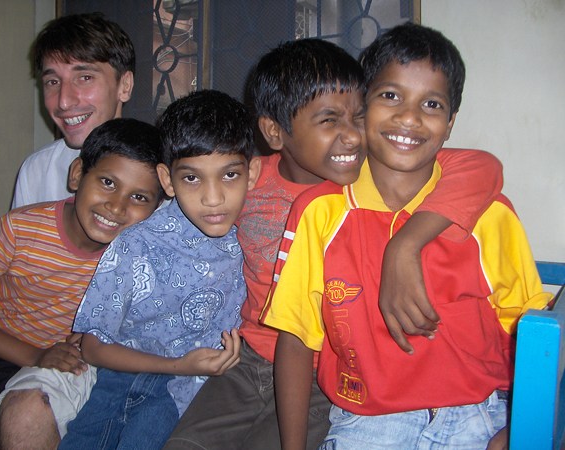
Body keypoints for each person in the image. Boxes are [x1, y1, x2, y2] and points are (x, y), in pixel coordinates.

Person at [164, 38, 504, 449]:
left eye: (358, 117)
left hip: (327, 368)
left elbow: (480, 166)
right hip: (249, 356)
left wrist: (404, 245)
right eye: (329, 120)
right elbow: (188, 193)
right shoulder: (247, 180)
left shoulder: (370, 180)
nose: (353, 137)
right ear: (274, 131)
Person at [262, 23, 553, 449]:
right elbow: (296, 336)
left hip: (476, 416)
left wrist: (519, 427)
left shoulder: (490, 215)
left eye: (431, 104)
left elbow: (538, 332)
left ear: (450, 123)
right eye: (390, 95)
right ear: (363, 105)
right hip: (366, 423)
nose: (410, 117)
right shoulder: (320, 212)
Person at [59, 89, 261, 450]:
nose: (213, 198)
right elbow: (93, 347)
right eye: (192, 178)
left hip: (203, 394)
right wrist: (180, 366)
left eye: (230, 175)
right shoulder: (137, 244)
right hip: (127, 381)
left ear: (253, 173)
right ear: (167, 180)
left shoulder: (254, 238)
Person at [0, 118, 164, 450]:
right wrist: (35, 355)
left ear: (156, 208)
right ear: (77, 174)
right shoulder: (19, 231)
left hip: (60, 370)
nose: (117, 206)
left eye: (139, 197)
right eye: (107, 182)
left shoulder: (139, 259)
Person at [11, 12, 135, 209]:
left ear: (125, 86)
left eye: (85, 78)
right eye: (52, 82)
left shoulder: (164, 173)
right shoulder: (37, 170)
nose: (64, 102)